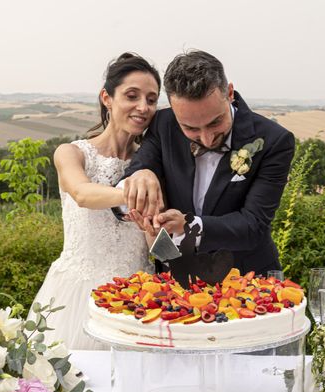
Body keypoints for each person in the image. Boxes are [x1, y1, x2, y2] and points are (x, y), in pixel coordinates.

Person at [29, 53, 160, 350]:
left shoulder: (153, 167)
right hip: (77, 294)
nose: (143, 107)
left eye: (151, 100)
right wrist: (136, 193)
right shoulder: (71, 153)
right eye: (132, 95)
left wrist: (155, 224)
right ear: (107, 98)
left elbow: (154, 245)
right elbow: (83, 194)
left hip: (138, 299)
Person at [123, 50, 295, 275]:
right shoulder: (162, 125)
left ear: (230, 93)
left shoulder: (274, 140)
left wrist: (189, 225)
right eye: (190, 128)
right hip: (175, 280)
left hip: (249, 281)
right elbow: (130, 180)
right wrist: (140, 176)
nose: (207, 138)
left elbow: (253, 225)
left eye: (216, 122)